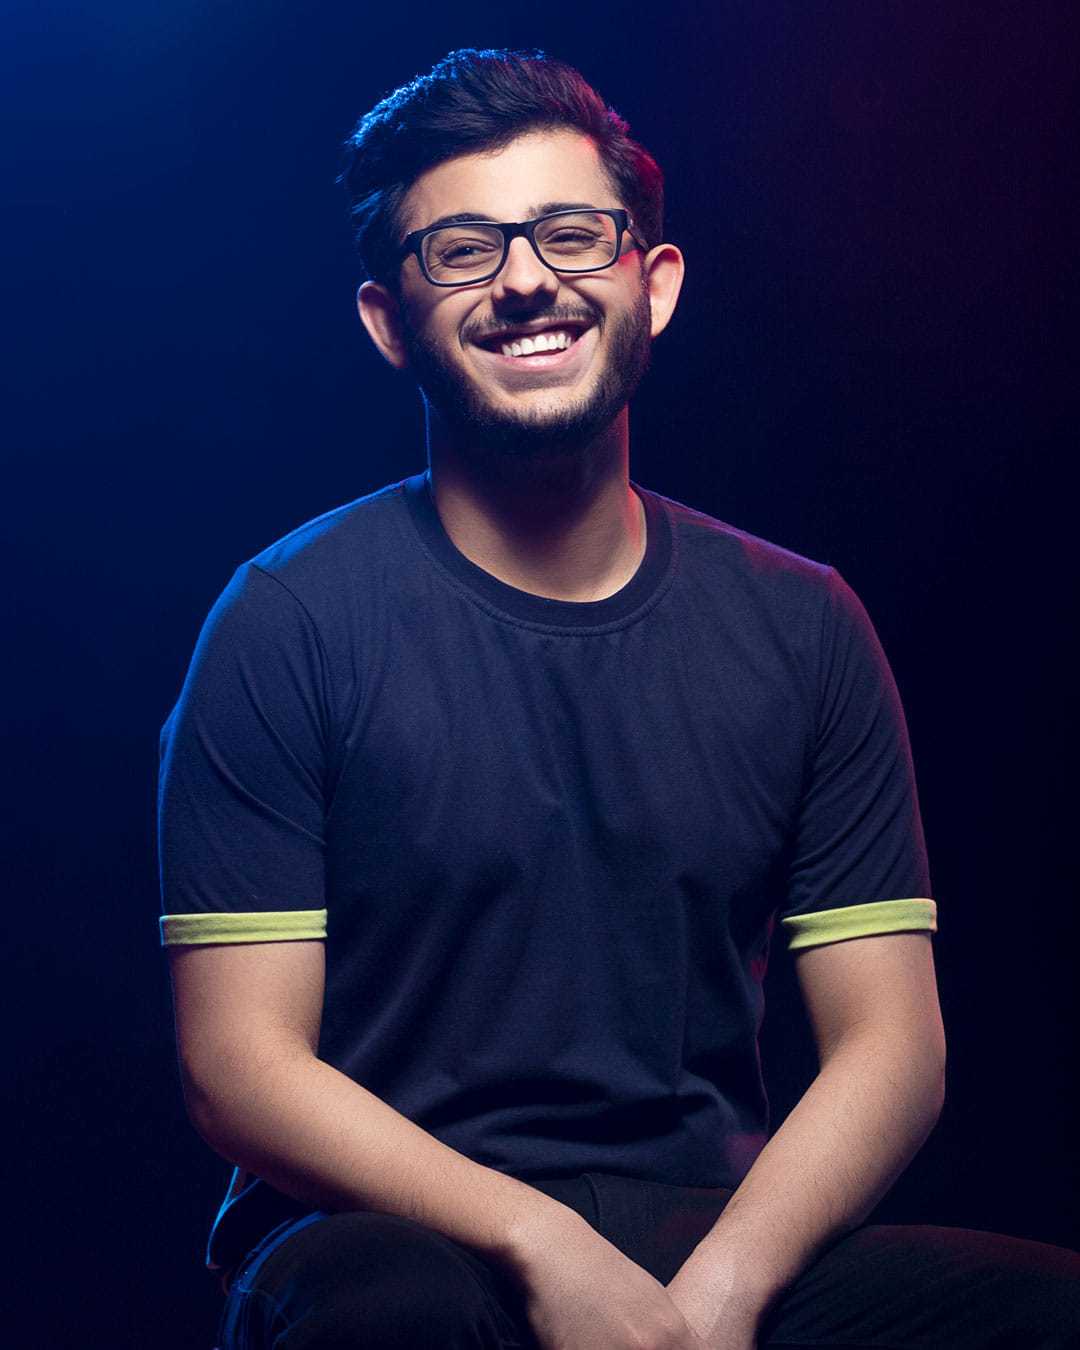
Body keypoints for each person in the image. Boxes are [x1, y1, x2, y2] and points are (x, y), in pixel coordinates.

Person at [158, 47, 1080, 1350]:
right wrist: (538, 1241)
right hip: (388, 1233)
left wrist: (723, 1292)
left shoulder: (805, 624)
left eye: (572, 234)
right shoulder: (285, 622)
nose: (526, 279)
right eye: (463, 250)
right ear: (387, 320)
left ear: (654, 282)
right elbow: (239, 1068)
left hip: (709, 1233)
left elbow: (893, 1045)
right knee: (392, 1312)